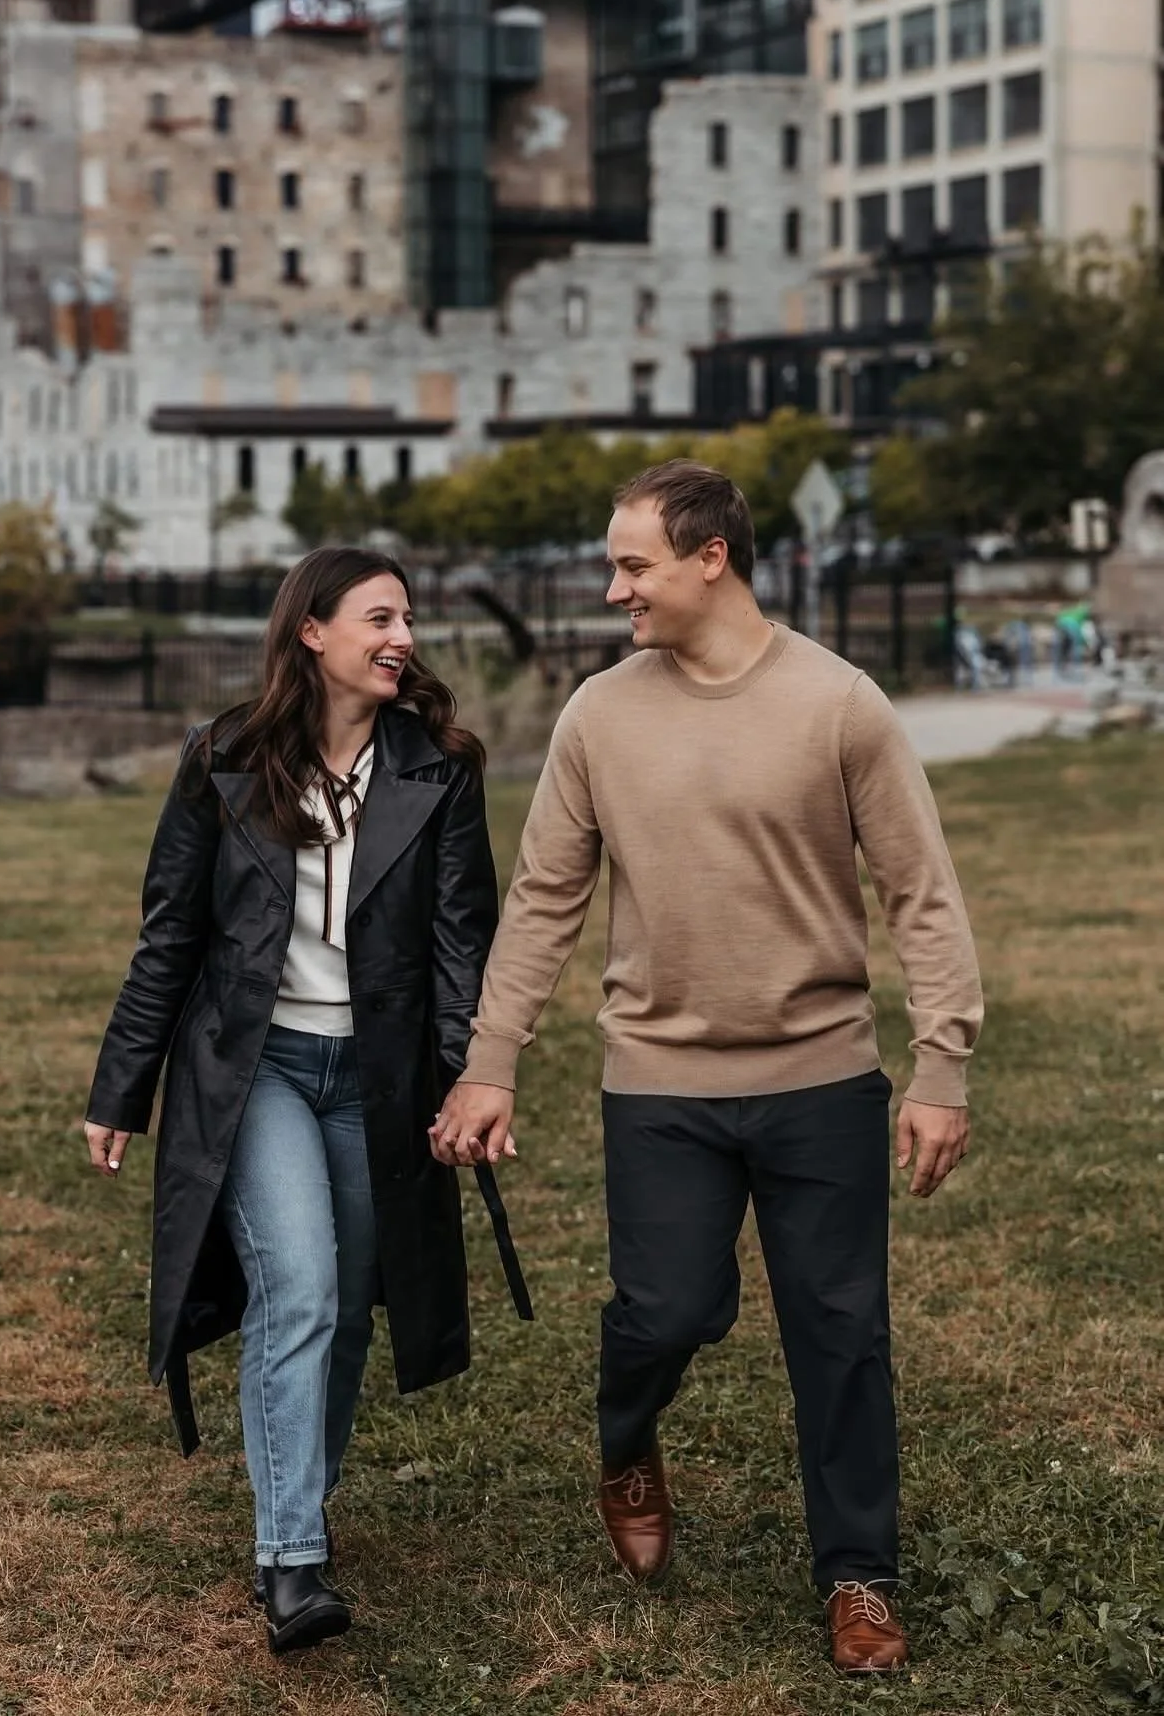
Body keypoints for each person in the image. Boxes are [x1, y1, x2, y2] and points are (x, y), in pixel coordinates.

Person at [430, 462, 982, 1676]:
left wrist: (940, 1064)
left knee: (841, 1332)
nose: (614, 586)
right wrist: (491, 1062)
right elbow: (542, 905)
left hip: (822, 1076)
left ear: (711, 557)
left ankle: (859, 1574)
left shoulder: (841, 704)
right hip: (661, 1081)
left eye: (633, 564)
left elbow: (920, 896)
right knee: (666, 1310)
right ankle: (627, 1438)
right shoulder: (598, 714)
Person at [84, 548, 529, 1656]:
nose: (405, 636)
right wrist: (120, 1089)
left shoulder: (439, 769)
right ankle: (291, 1560)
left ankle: (299, 1504)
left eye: (410, 618)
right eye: (381, 616)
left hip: (375, 1082)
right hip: (261, 1071)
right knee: (302, 1285)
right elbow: (170, 937)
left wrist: (476, 1079)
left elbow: (459, 946)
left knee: (351, 1298)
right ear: (313, 633)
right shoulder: (225, 758)